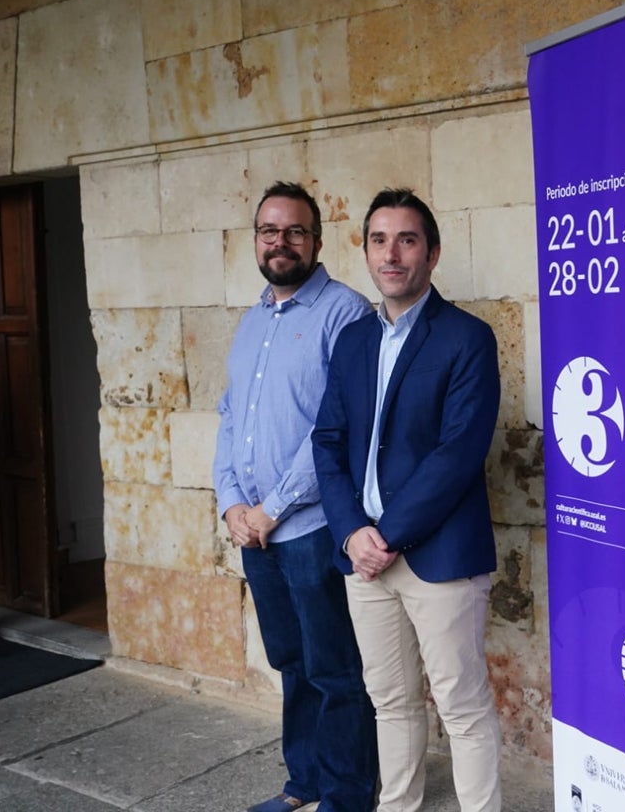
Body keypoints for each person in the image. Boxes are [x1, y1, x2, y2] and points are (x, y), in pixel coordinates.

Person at [312, 187, 503, 812]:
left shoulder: (467, 339)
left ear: (432, 252)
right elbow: (328, 442)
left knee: (463, 707)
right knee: (390, 702)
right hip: (362, 557)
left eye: (407, 239)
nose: (391, 254)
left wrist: (385, 535)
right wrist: (350, 533)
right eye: (378, 240)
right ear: (365, 252)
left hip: (437, 557)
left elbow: (457, 453)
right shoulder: (353, 342)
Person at [214, 181, 378, 812]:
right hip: (255, 532)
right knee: (290, 660)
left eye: (294, 231)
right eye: (268, 231)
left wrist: (272, 507)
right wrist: (232, 504)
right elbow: (230, 417)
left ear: (316, 239)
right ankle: (303, 785)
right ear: (255, 239)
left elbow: (337, 429)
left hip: (309, 527)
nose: (279, 242)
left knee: (334, 668)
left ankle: (346, 793)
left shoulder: (345, 313)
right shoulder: (251, 321)